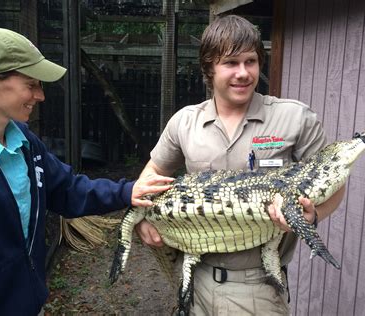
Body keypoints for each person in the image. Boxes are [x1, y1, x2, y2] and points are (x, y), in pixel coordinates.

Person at [0, 27, 173, 315]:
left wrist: (128, 191)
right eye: (31, 85)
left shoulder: (24, 143)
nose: (40, 96)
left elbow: (68, 190)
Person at [135, 15, 345, 315]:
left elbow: (335, 181)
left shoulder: (294, 118)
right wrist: (143, 219)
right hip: (196, 278)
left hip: (259, 286)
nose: (243, 73)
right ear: (209, 67)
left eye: (251, 61)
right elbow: (152, 175)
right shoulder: (185, 122)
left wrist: (313, 215)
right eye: (231, 63)